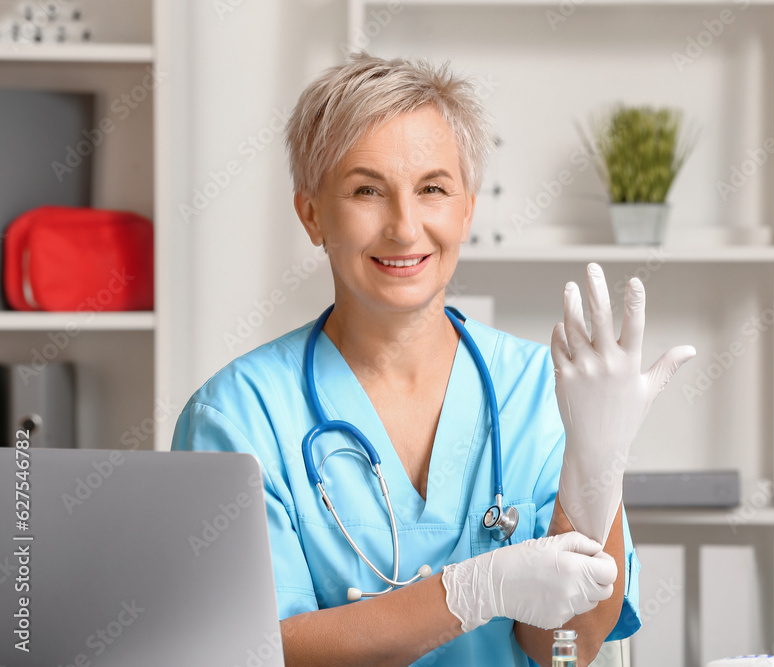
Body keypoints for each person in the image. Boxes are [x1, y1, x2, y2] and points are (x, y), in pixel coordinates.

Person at [172, 52, 694, 667]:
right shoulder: (237, 416)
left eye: (433, 189)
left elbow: (563, 648)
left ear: (466, 209)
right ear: (311, 213)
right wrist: (468, 592)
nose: (404, 226)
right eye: (367, 190)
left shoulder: (546, 390)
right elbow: (250, 653)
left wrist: (599, 466)